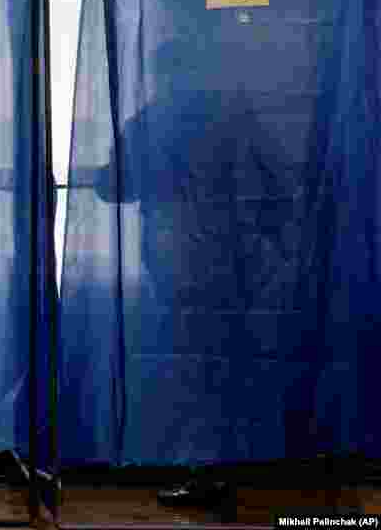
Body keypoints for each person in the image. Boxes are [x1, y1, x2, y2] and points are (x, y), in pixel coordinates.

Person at [74, 39, 297, 508]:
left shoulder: (149, 121)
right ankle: (227, 470)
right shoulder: (232, 117)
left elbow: (113, 188)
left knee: (189, 368)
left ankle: (201, 472)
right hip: (228, 254)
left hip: (171, 256)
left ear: (159, 74)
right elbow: (276, 180)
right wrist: (275, 243)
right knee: (226, 364)